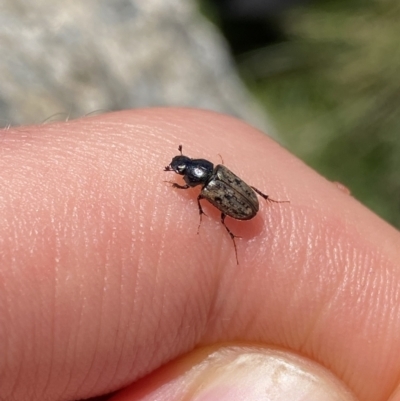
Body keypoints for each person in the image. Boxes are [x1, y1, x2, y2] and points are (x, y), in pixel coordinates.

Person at [1, 108, 398, 401]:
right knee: (227, 207)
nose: (180, 172)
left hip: (240, 209)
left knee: (223, 217)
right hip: (239, 199)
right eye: (180, 170)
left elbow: (229, 204)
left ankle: (248, 216)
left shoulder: (205, 188)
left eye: (182, 171)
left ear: (193, 173)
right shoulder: (213, 177)